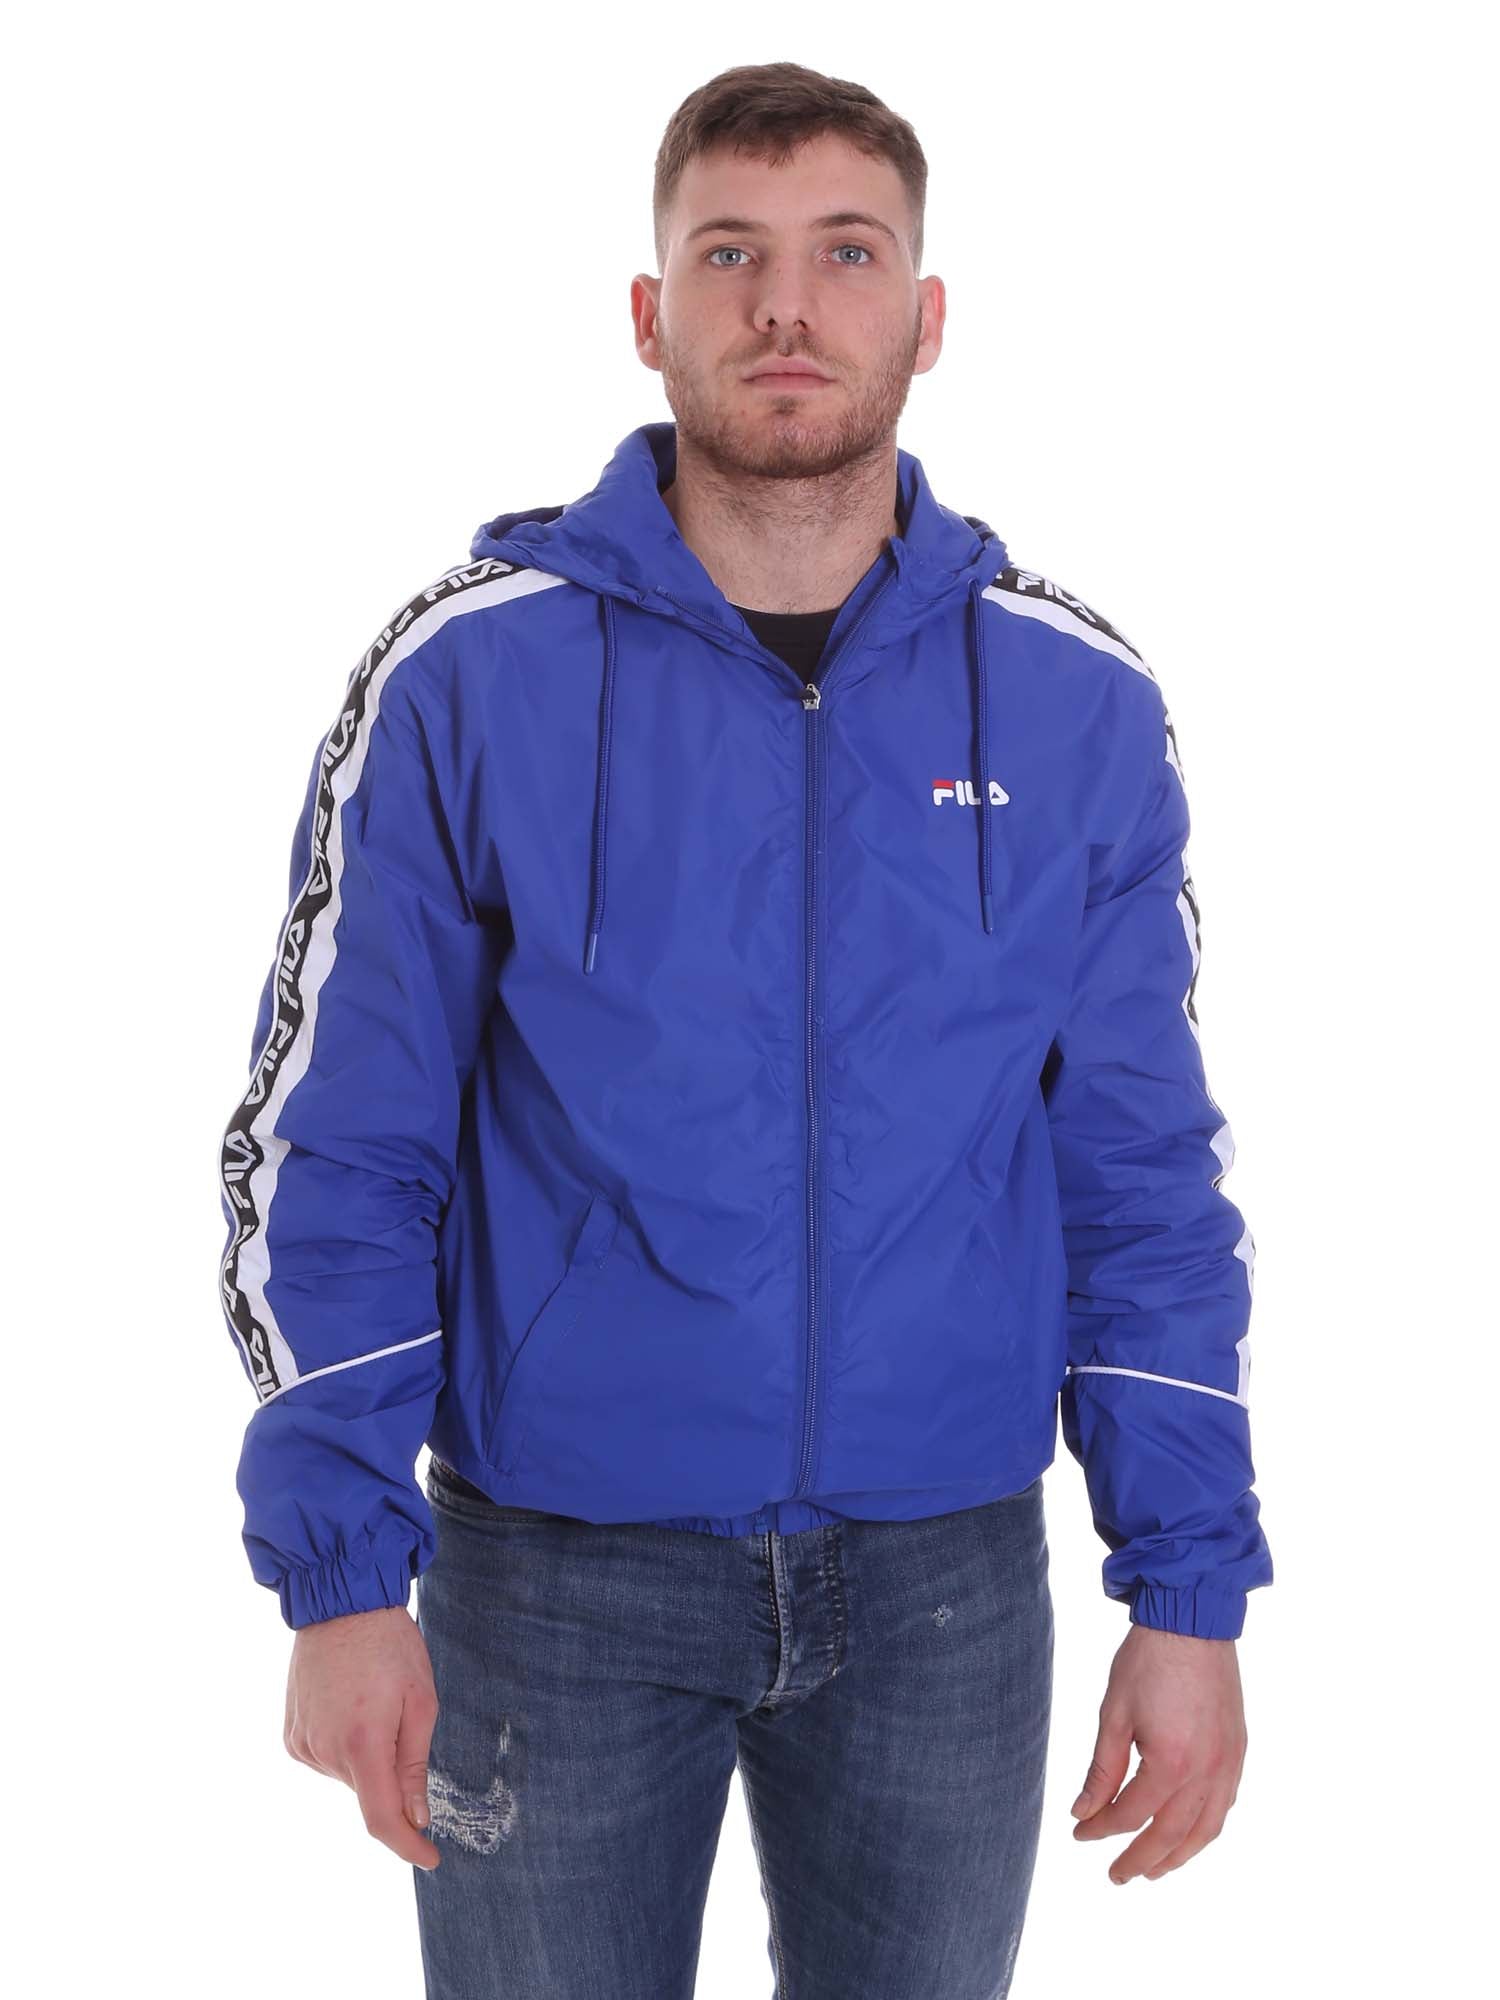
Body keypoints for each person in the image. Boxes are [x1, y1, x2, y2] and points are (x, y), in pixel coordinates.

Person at [217, 59, 1273, 2000]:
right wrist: (342, 1573)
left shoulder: (1075, 705)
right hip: (554, 1573)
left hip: (947, 1579)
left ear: (926, 316)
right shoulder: (468, 678)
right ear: (652, 311)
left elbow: (1141, 1172)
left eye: (846, 254)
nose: (788, 306)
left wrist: (1188, 1586)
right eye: (731, 254)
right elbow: (337, 1142)